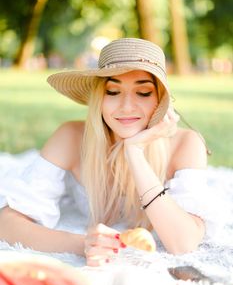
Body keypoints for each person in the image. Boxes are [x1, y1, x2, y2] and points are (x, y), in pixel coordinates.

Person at [0, 38, 217, 267]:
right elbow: (6, 223)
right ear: (99, 98)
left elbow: (183, 244)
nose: (126, 106)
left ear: (160, 100)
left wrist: (134, 152)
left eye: (143, 92)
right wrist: (83, 243)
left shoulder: (186, 143)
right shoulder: (71, 137)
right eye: (113, 91)